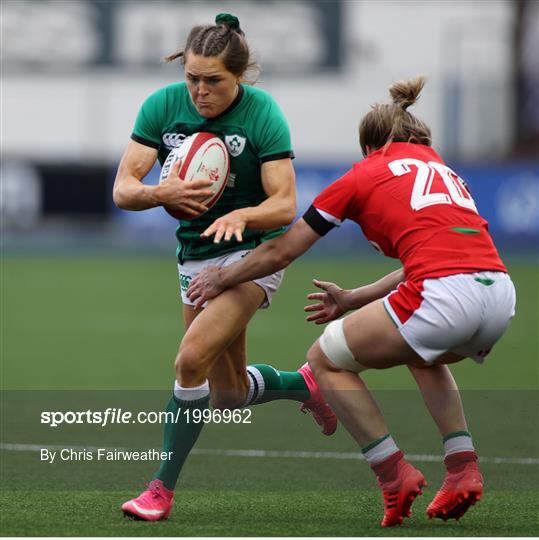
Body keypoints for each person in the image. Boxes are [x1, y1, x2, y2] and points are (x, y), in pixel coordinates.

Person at [188, 76, 517, 528]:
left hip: (444, 294)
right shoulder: (442, 168)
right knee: (424, 355)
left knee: (324, 360)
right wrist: (352, 299)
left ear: (370, 146)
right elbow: (437, 256)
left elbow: (283, 250)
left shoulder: (364, 173)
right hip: (498, 292)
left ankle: (392, 473)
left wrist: (222, 276)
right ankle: (462, 467)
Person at [113, 13, 337, 521]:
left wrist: (242, 213)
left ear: (239, 75)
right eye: (191, 77)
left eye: (213, 80)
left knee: (189, 361)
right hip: (195, 255)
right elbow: (123, 189)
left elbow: (284, 205)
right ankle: (304, 384)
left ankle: (159, 491)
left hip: (255, 254)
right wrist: (158, 193)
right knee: (228, 394)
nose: (199, 90)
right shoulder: (162, 107)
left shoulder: (262, 113)